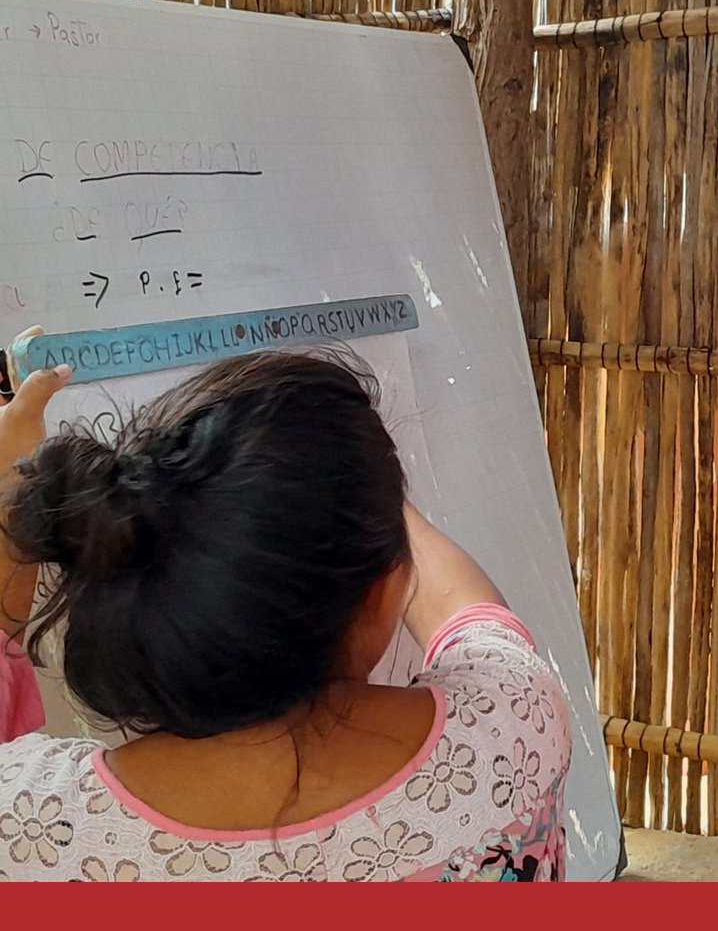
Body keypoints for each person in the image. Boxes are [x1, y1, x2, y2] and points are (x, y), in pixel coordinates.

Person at [0, 344, 570, 881]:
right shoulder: (513, 727)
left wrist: (10, 494)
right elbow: (467, 610)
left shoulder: (33, 826)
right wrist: (350, 486)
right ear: (380, 589)